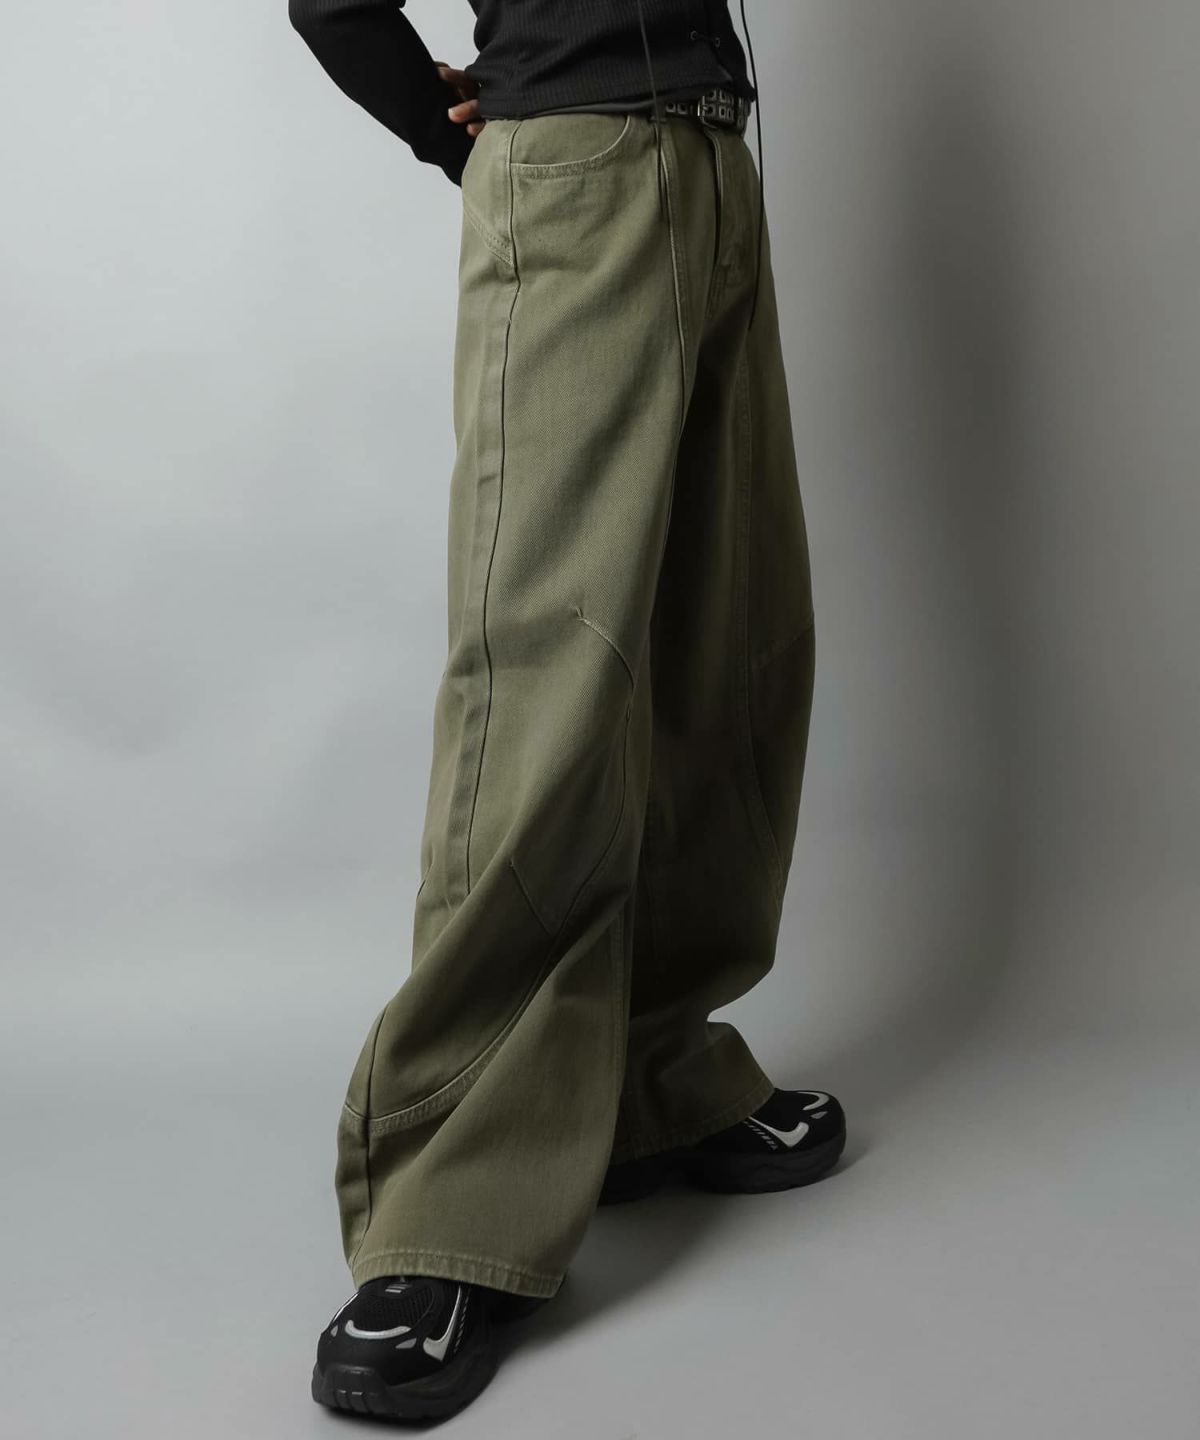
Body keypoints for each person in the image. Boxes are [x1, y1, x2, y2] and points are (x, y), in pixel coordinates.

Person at [287, 0, 844, 1422]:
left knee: (724, 647)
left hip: (714, 160)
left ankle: (652, 1079)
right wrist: (444, 126)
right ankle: (447, 1205)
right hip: (575, 168)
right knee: (546, 671)